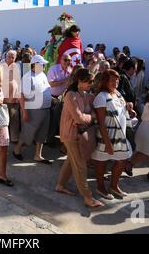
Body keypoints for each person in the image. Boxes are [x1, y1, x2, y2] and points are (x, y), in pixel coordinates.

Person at [56, 69, 104, 208]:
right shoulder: (71, 95)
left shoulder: (86, 95)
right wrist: (92, 117)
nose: (91, 83)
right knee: (80, 166)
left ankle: (60, 185)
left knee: (72, 161)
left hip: (80, 134)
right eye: (89, 81)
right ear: (79, 81)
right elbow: (79, 118)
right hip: (71, 135)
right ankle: (88, 197)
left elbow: (92, 111)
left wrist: (89, 116)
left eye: (92, 81)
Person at [92, 70, 134, 200]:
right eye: (112, 80)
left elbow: (121, 111)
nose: (115, 83)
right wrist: (107, 142)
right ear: (105, 82)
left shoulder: (117, 94)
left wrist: (129, 110)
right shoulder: (101, 97)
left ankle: (114, 186)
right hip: (106, 136)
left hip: (119, 135)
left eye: (117, 80)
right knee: (101, 162)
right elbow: (100, 123)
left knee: (122, 159)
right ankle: (100, 187)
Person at [14, 55, 53, 164]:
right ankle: (17, 149)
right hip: (33, 110)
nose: (44, 66)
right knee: (28, 132)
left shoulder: (43, 75)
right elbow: (21, 96)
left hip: (45, 109)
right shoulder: (28, 77)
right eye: (42, 64)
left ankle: (38, 155)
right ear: (35, 64)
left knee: (42, 133)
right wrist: (24, 112)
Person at [1, 50, 21, 144]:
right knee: (3, 119)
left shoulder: (16, 66)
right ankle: (2, 137)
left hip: (13, 98)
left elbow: (18, 81)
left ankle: (14, 138)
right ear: (6, 56)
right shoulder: (0, 66)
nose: (11, 59)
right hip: (3, 97)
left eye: (13, 57)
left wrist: (17, 95)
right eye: (9, 56)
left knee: (14, 118)